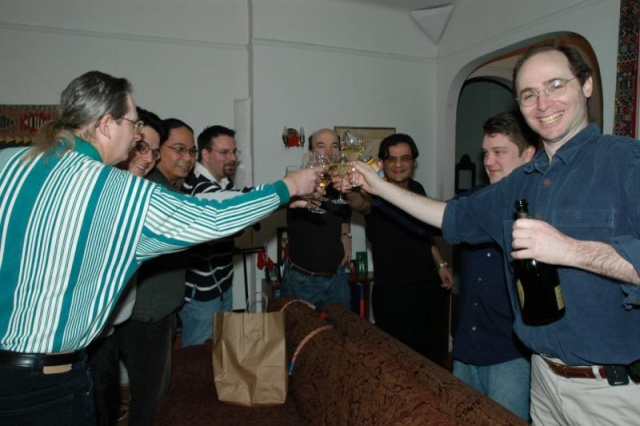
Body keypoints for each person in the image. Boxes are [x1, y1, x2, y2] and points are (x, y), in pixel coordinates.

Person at [0, 70, 318, 425]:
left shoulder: (9, 162)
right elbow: (212, 218)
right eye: (133, 125)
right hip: (42, 385)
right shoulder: (119, 190)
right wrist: (288, 187)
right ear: (106, 125)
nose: (137, 136)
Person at [351, 44, 640, 425]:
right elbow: (450, 216)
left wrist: (570, 250)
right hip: (544, 380)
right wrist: (379, 186)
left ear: (586, 85)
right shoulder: (521, 182)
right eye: (529, 94)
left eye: (555, 85)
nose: (543, 103)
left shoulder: (626, 162)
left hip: (609, 391)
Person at [452, 111, 537, 421]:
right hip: (466, 348)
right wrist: (376, 193)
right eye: (486, 152)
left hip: (511, 354)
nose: (488, 161)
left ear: (528, 154)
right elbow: (424, 222)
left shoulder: (542, 207)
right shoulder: (474, 199)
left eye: (499, 152)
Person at [87, 106, 167, 426]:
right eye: (142, 146)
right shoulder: (96, 191)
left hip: (109, 332)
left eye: (155, 152)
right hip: (79, 342)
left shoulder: (136, 195)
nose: (148, 159)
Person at [342, 134, 453, 365]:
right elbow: (358, 203)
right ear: (382, 163)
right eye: (391, 159)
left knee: (432, 358)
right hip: (392, 294)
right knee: (397, 363)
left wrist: (441, 263)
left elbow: (425, 233)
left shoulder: (417, 188)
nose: (399, 164)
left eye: (405, 158)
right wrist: (350, 188)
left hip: (427, 287)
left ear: (413, 162)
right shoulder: (372, 193)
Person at [116, 117, 198, 425]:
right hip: (146, 317)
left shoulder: (167, 187)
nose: (187, 157)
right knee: (150, 401)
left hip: (152, 313)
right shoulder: (154, 190)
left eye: (191, 151)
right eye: (179, 149)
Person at [179, 125, 249, 347]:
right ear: (205, 154)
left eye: (234, 151)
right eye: (224, 152)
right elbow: (237, 213)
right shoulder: (199, 187)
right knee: (199, 358)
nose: (233, 158)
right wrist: (286, 190)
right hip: (202, 295)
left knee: (220, 352)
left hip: (222, 285)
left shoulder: (223, 183)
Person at [281, 128, 352, 309]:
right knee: (300, 328)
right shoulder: (299, 183)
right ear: (311, 153)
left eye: (334, 146)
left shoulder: (340, 183)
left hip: (337, 279)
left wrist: (346, 234)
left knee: (343, 326)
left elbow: (345, 213)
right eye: (321, 146)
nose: (329, 152)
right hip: (302, 282)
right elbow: (282, 201)